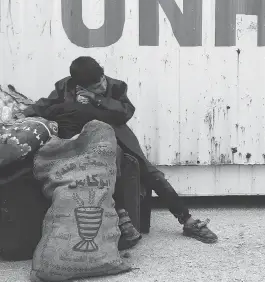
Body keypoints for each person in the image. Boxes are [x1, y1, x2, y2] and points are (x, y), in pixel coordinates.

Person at [22, 56, 218, 248]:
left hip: (118, 137)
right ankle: (122, 223)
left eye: (101, 82)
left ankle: (188, 220)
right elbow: (45, 106)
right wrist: (24, 112)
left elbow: (125, 112)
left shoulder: (116, 86)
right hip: (84, 142)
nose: (101, 86)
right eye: (95, 87)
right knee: (103, 172)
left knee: (152, 174)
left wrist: (96, 99)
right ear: (79, 84)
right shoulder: (66, 86)